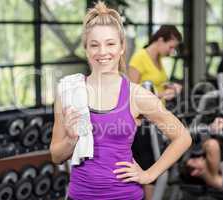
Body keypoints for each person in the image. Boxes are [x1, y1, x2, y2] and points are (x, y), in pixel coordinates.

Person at [49, 2, 192, 200]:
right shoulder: (68, 92)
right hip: (80, 195)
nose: (102, 52)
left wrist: (148, 174)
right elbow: (56, 156)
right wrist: (71, 140)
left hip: (125, 195)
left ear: (122, 47)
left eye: (110, 43)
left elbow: (183, 137)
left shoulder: (136, 95)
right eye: (94, 45)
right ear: (86, 49)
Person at [128, 25, 183, 199]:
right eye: (171, 46)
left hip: (157, 120)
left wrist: (170, 87)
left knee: (159, 165)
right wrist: (160, 94)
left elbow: (156, 83)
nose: (172, 51)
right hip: (143, 123)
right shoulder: (139, 58)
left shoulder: (158, 58)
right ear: (160, 40)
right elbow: (131, 93)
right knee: (149, 166)